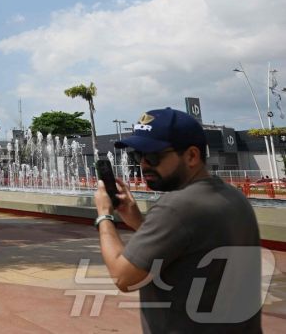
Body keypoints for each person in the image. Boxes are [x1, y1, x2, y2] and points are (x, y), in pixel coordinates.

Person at [94, 107, 262, 333]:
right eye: (138, 155)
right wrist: (138, 222)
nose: (144, 164)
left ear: (191, 156)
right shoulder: (234, 197)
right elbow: (185, 248)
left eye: (153, 156)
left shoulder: (176, 207)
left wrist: (104, 215)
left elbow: (122, 277)